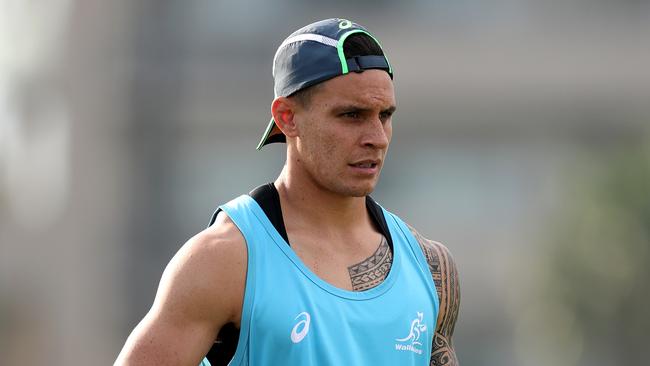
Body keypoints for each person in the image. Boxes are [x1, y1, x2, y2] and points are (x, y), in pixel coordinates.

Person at [115, 18, 460, 366]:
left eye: (384, 115)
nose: (377, 137)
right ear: (287, 117)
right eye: (352, 115)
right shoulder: (226, 259)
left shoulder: (428, 266)